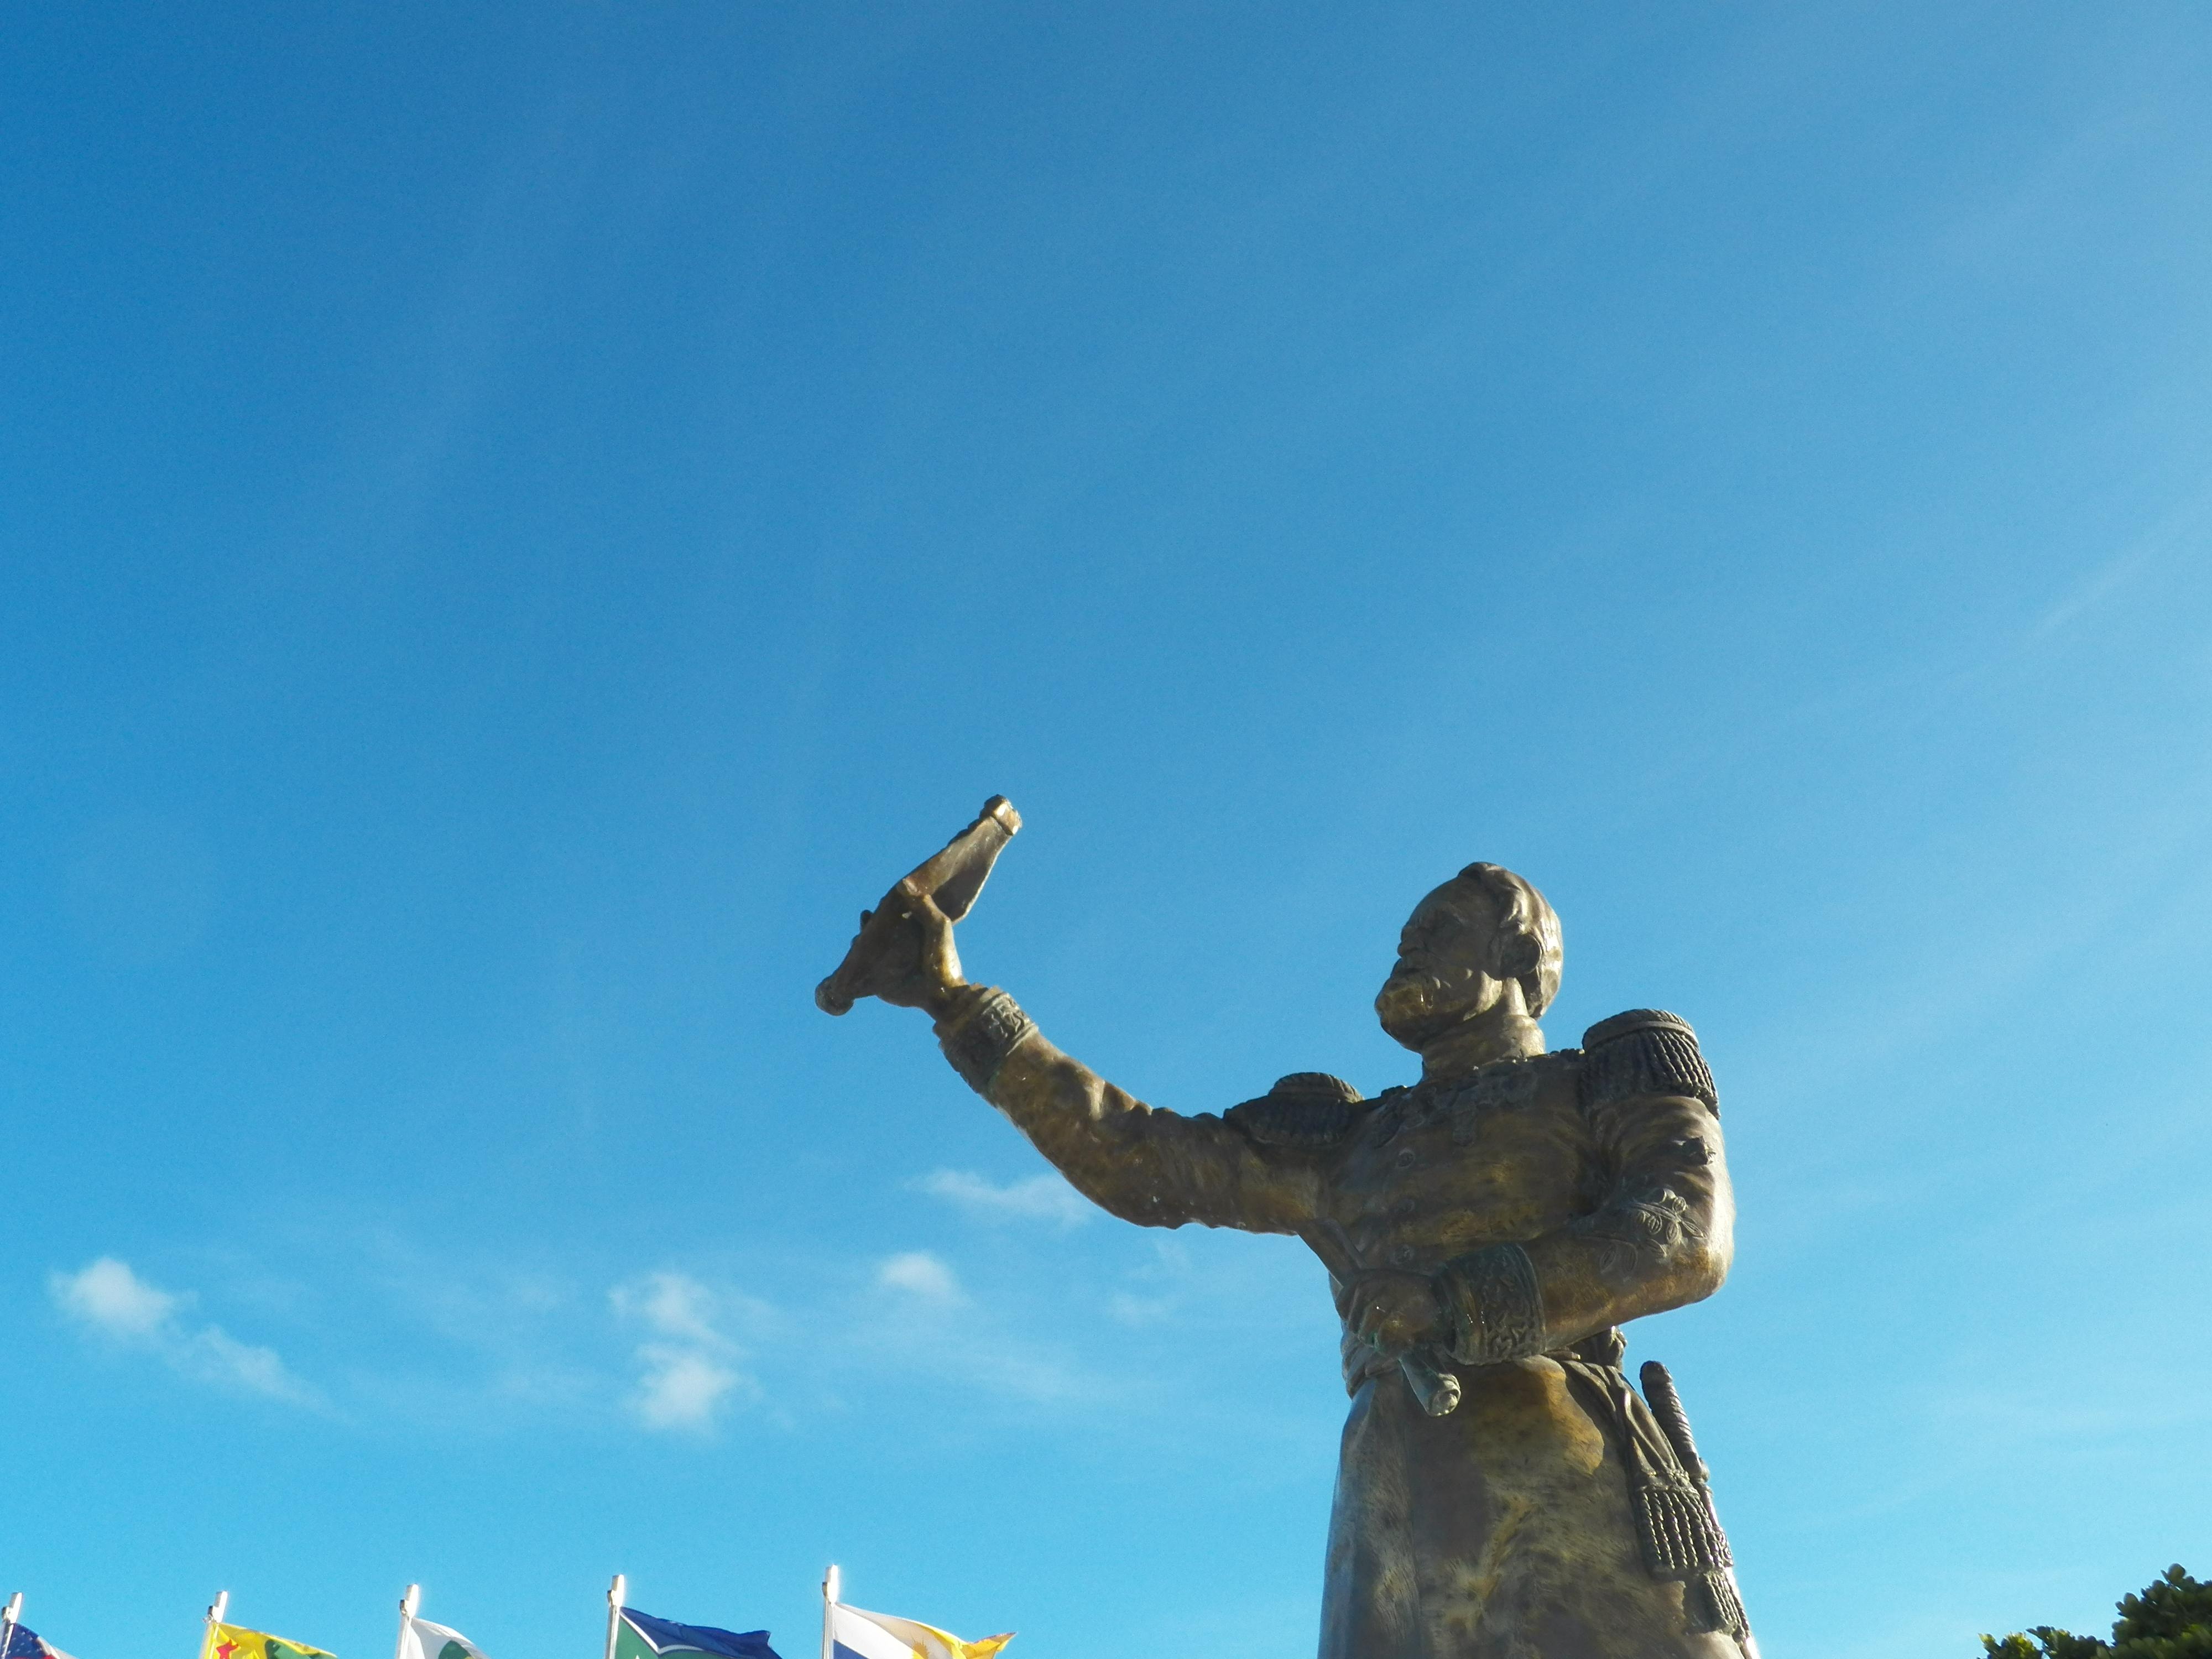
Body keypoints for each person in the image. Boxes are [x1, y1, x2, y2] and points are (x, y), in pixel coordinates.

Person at [878, 860, 1753, 1659]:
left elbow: (1681, 1232)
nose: (1406, 951)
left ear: (1518, 947)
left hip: (1564, 1461)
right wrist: (955, 1001)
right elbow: (1137, 1159)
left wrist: (1455, 1301)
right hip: (1394, 1487)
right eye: (1403, 939)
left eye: (1436, 932)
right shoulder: (1345, 1138)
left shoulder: (1604, 1075)